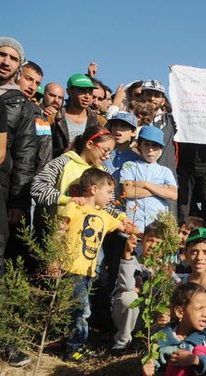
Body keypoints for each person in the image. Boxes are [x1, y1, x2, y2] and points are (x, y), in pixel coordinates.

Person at [60, 168, 138, 362]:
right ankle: (73, 349)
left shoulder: (104, 216)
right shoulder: (75, 207)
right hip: (71, 269)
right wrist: (54, 259)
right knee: (81, 310)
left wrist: (148, 234)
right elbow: (59, 230)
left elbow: (124, 227)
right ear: (94, 189)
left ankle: (76, 345)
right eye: (109, 192)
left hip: (88, 272)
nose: (111, 197)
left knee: (80, 310)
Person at [0, 37, 38, 280]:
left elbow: (25, 154)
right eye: (1, 54)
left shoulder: (21, 103)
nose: (6, 61)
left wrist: (18, 202)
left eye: (13, 58)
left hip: (1, 186)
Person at [31, 125, 118, 215]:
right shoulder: (63, 163)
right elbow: (38, 187)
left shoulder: (104, 171)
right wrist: (67, 200)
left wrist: (121, 218)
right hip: (62, 226)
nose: (107, 156)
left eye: (110, 153)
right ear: (89, 144)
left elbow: (108, 206)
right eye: (105, 151)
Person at [110, 223, 170, 354]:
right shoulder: (132, 261)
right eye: (149, 240)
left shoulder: (165, 270)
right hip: (129, 315)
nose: (153, 245)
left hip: (151, 320)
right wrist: (126, 254)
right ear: (141, 241)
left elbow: (165, 292)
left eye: (158, 242)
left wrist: (140, 290)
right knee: (128, 296)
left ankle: (152, 342)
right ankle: (122, 341)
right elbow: (126, 286)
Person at [120, 125, 178, 230]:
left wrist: (146, 184)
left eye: (155, 145)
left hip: (158, 229)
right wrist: (161, 190)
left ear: (160, 148)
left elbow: (173, 195)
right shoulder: (129, 166)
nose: (150, 149)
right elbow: (128, 192)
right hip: (134, 227)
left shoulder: (165, 171)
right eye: (146, 144)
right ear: (140, 146)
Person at [49, 73, 106, 158]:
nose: (87, 96)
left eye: (90, 92)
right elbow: (44, 150)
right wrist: (64, 151)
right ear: (69, 92)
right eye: (82, 91)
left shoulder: (100, 121)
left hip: (89, 170)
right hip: (60, 168)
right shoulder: (53, 119)